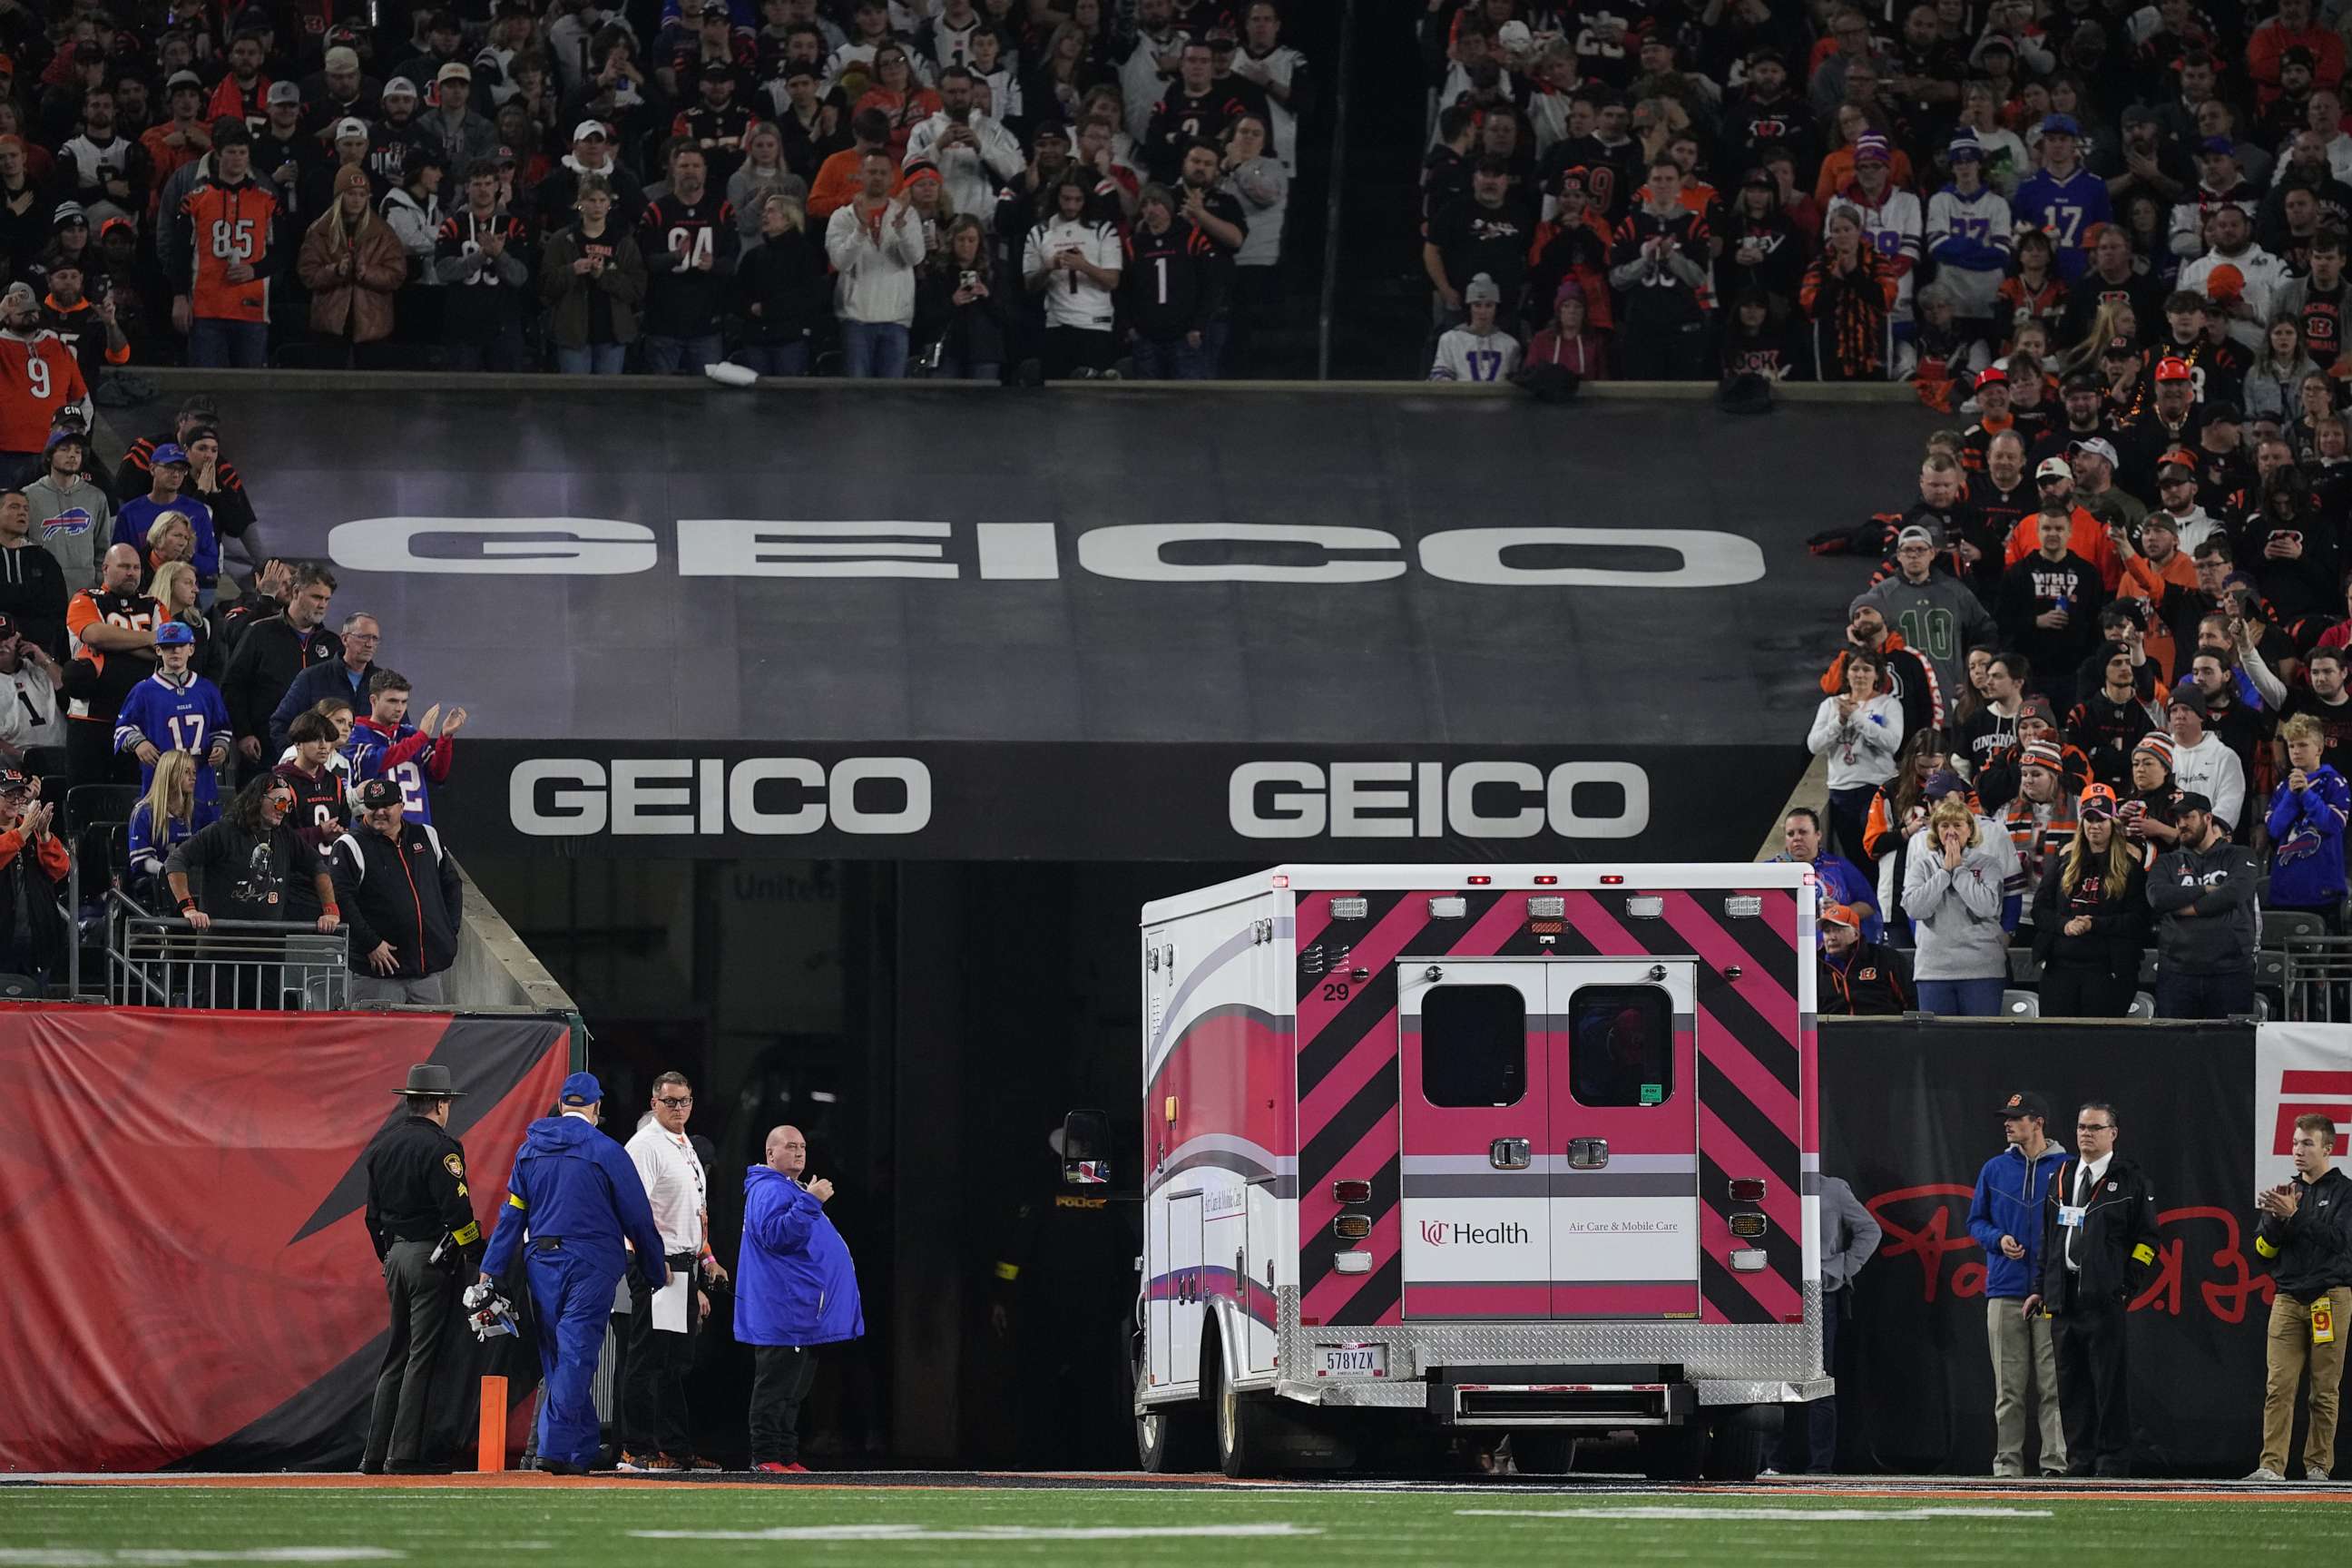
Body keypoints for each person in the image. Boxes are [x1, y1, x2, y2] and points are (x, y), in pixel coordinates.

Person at [475, 1073, 671, 1476]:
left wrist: (489, 1271)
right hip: (592, 1264)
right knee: (578, 1354)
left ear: (562, 1104)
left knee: (559, 1357)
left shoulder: (530, 1152)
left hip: (541, 1264)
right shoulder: (608, 1152)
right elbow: (638, 1218)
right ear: (597, 1108)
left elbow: (512, 1215)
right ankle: (554, 1447)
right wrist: (653, 1269)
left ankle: (579, 1450)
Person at [360, 1062, 483, 1475]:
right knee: (422, 1356)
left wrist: (389, 1257)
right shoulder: (443, 1149)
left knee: (396, 1355)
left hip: (394, 1257)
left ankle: (374, 1453)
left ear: (410, 1102)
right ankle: (406, 1453)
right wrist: (474, 1252)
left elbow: (372, 1218)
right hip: (430, 1259)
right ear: (442, 1104)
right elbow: (458, 1212)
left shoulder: (382, 1147)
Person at [2024, 1102, 2158, 1478]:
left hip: (2103, 1300)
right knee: (2070, 1385)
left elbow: (2147, 1240)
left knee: (2107, 1385)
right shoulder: (2063, 1173)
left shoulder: (2129, 1179)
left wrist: (2125, 1285)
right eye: (2082, 1127)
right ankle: (2078, 1460)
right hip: (2063, 1298)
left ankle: (2111, 1461)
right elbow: (2049, 1239)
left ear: (2112, 1133)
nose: (2086, 1134)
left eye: (2095, 1128)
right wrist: (2040, 1287)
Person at [738, 1122, 864, 1474]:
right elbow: (777, 1236)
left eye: (803, 1146)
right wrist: (812, 1201)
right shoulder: (769, 1190)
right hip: (783, 1311)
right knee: (775, 1387)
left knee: (793, 1392)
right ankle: (765, 1456)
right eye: (790, 1146)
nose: (798, 1151)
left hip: (797, 1312)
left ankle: (785, 1455)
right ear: (770, 1153)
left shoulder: (786, 1189)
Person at [621, 1071, 728, 1472]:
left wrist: (706, 1259)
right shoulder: (645, 1145)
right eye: (670, 1102)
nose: (679, 1108)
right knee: (648, 1357)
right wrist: (653, 1261)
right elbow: (634, 1209)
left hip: (681, 1264)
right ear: (654, 1103)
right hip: (657, 1264)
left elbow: (695, 1212)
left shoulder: (683, 1145)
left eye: (685, 1101)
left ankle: (673, 1449)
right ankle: (636, 1449)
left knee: (674, 1363)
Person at [1967, 1091, 2072, 1478]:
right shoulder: (1995, 1168)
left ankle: (2054, 1465)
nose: (2009, 1124)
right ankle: (2007, 1467)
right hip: (2005, 1291)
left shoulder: (2066, 1168)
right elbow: (1975, 1221)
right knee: (2008, 1390)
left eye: (2017, 1117)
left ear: (2039, 1122)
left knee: (2052, 1387)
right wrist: (1998, 1240)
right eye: (2008, 1118)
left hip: (2050, 1294)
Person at [2249, 1112, 2352, 1483]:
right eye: (2294, 1143)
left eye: (2307, 1143)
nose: (2298, 1150)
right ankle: (2270, 1466)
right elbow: (2261, 1253)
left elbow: (2341, 1242)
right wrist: (2275, 1224)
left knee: (2324, 1389)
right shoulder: (2285, 1193)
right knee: (2279, 1386)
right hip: (2288, 1300)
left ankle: (2317, 1466)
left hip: (2329, 1299)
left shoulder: (2345, 1193)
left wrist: (2296, 1218)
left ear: (2328, 1147)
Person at [1771, 1171, 1880, 1475]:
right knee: (1776, 1379)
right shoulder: (1774, 1183)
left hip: (1819, 1294)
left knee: (1819, 1379)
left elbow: (1870, 1230)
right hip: (1776, 1292)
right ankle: (1774, 1462)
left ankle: (1819, 1465)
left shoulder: (1832, 1189)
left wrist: (1841, 1268)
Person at [329, 776, 463, 1006]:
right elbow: (342, 900)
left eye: (386, 806)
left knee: (428, 1042)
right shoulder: (349, 845)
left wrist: (448, 930)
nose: (379, 812)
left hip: (426, 973)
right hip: (378, 974)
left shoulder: (427, 835)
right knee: (377, 1042)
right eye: (372, 806)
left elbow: (451, 884)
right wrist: (371, 943)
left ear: (401, 806)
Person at [169, 120, 280, 368]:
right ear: (218, 155)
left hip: (251, 309)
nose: (237, 158)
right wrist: (179, 297)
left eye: (243, 152)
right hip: (206, 309)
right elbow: (179, 253)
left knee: (250, 394)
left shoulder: (268, 202)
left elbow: (282, 252)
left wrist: (255, 270)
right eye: (231, 152)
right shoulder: (193, 201)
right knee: (206, 389)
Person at [2148, 789, 2260, 1017]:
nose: (2181, 824)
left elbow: (2235, 893)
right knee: (2177, 1048)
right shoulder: (2166, 862)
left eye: (2188, 817)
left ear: (2208, 818)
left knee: (2228, 1048)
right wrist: (2205, 889)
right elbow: (2158, 898)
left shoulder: (2239, 855)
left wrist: (2188, 908)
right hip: (2177, 973)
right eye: (2177, 819)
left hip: (2230, 971)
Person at [221, 563, 339, 773]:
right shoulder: (260, 632)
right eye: (316, 597)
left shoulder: (332, 644)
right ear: (295, 592)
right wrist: (243, 733)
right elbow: (234, 686)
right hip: (264, 747)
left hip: (318, 753)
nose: (322, 605)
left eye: (326, 599)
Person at [116, 622, 230, 827]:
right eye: (168, 646)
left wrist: (221, 746)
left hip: (201, 783)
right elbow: (123, 727)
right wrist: (138, 743)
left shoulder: (207, 690)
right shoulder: (144, 691)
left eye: (181, 645)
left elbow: (221, 728)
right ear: (158, 650)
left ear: (191, 649)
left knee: (204, 842)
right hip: (160, 786)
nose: (175, 650)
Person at [1903, 796, 2011, 1014]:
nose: (1951, 832)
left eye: (1957, 825)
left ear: (1970, 830)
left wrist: (1959, 871)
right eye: (1944, 825)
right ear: (1936, 831)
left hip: (1982, 970)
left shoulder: (1989, 865)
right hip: (1934, 971)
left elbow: (1987, 907)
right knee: (1938, 1046)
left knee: (1979, 1044)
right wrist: (1943, 874)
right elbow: (1915, 909)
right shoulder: (1922, 865)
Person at [826, 149, 926, 377]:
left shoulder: (907, 215)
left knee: (892, 402)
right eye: (872, 171)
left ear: (892, 178)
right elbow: (840, 262)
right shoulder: (842, 217)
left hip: (896, 320)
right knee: (856, 400)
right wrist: (861, 230)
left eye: (883, 172)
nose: (877, 177)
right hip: (856, 320)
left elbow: (915, 258)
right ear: (860, 175)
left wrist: (900, 227)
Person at [298, 165, 408, 365]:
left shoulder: (383, 232)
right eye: (351, 194)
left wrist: (368, 273)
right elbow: (307, 273)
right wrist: (335, 271)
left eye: (362, 194)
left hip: (373, 325)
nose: (357, 199)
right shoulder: (319, 231)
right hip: (330, 323)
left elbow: (397, 275)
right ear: (340, 196)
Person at [540, 174, 645, 374]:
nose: (597, 206)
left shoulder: (623, 241)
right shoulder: (562, 239)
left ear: (609, 203)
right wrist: (572, 270)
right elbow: (546, 285)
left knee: (607, 400)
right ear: (580, 203)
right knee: (575, 400)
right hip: (572, 334)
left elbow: (636, 288)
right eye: (591, 200)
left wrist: (603, 276)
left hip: (612, 334)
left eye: (602, 200)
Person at [1808, 646, 1902, 864]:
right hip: (1842, 789)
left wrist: (1857, 717)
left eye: (1867, 669)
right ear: (1847, 673)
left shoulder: (1889, 704)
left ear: (1877, 674)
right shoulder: (1831, 705)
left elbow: (1892, 743)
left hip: (1876, 787)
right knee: (1853, 856)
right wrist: (1839, 721)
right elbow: (1814, 745)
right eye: (1855, 669)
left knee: (1878, 853)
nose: (1860, 674)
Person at [346, 671, 462, 827]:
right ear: (373, 700)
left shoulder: (409, 734)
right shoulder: (355, 733)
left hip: (417, 828)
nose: (399, 708)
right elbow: (380, 761)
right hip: (375, 830)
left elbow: (437, 774)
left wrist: (445, 739)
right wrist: (421, 737)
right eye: (392, 701)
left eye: (404, 702)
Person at [2267, 714, 2351, 926]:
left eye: (2303, 745)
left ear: (2319, 749)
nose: (2296, 751)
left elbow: (2333, 824)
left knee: (2322, 958)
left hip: (2323, 891)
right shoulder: (2283, 788)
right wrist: (2292, 794)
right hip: (2284, 892)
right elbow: (2274, 830)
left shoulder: (2335, 783)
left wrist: (2306, 794)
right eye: (2291, 745)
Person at [269, 613, 379, 757]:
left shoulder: (383, 684)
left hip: (369, 771)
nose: (369, 644)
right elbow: (280, 724)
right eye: (363, 637)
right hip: (320, 773)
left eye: (375, 638)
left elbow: (400, 730)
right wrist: (301, 761)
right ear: (345, 639)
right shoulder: (312, 677)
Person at [0, 766, 66, 984]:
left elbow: (60, 870)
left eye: (19, 795)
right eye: (8, 794)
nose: (15, 800)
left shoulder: (32, 831)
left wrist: (45, 834)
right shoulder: (25, 830)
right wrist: (22, 832)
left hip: (36, 940)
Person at [24, 427, 107, 592]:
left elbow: (103, 548)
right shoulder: (28, 495)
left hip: (87, 591)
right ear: (49, 455)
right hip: (43, 589)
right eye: (64, 449)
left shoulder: (96, 497)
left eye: (78, 451)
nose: (72, 455)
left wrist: (98, 580)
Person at [1816, 901, 1911, 1014]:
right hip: (1832, 1030)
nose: (1832, 937)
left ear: (1856, 934)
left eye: (1838, 930)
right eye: (1827, 931)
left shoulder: (1885, 958)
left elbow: (1910, 1003)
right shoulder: (1815, 966)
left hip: (1881, 1029)